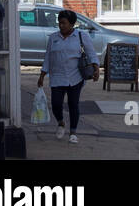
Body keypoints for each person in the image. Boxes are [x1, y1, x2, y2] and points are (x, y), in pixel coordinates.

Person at [37, 9, 99, 143]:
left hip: (75, 76)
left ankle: (73, 132)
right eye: (60, 23)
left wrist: (96, 69)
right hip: (57, 76)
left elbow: (91, 54)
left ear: (72, 24)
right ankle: (60, 122)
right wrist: (42, 75)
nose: (61, 26)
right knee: (56, 104)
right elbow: (48, 57)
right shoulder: (53, 38)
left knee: (73, 104)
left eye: (64, 23)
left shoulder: (82, 36)